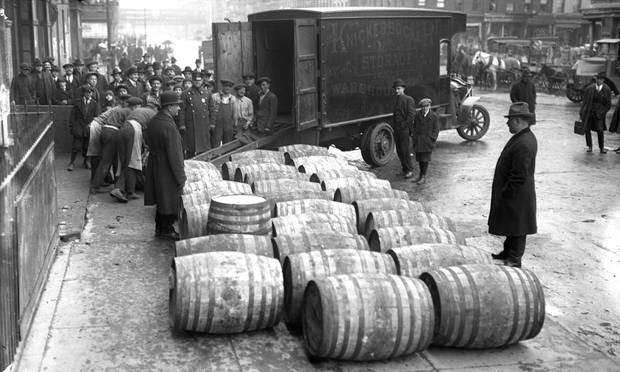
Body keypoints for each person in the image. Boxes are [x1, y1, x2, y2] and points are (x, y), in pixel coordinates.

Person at [489, 102, 538, 268]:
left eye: (509, 120)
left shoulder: (524, 142)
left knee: (518, 227)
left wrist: (507, 192)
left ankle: (514, 259)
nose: (507, 123)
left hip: (517, 194)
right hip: (516, 193)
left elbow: (519, 175)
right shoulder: (522, 137)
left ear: (518, 121)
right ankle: (507, 252)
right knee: (512, 225)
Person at [144, 91, 186, 240]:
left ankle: (160, 228)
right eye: (177, 106)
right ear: (169, 107)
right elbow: (175, 155)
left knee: (161, 198)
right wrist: (181, 177)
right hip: (167, 168)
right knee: (170, 199)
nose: (179, 109)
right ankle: (167, 229)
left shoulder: (154, 121)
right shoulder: (169, 126)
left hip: (156, 164)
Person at [90, 94, 132, 193]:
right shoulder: (126, 111)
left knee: (114, 160)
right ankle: (95, 186)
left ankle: (116, 186)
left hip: (105, 131)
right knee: (106, 161)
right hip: (113, 133)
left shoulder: (117, 109)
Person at [68, 85, 100, 171]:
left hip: (89, 127)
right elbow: (72, 116)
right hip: (78, 127)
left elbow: (96, 116)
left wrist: (92, 125)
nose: (89, 94)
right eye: (87, 92)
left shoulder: (94, 104)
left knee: (87, 146)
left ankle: (87, 161)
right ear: (84, 93)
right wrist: (73, 126)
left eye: (91, 92)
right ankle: (72, 162)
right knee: (76, 146)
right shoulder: (77, 103)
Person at [580, 71, 611, 153]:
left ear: (603, 80)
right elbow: (585, 101)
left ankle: (601, 148)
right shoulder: (590, 88)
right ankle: (590, 147)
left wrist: (602, 112)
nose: (598, 81)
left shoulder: (607, 90)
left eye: (600, 80)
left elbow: (608, 104)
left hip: (599, 114)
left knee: (600, 130)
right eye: (597, 79)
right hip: (589, 112)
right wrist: (581, 112)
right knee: (587, 129)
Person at [411, 98, 439, 184]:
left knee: (425, 159)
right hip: (419, 140)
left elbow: (436, 129)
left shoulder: (433, 116)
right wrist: (414, 137)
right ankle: (420, 175)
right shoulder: (417, 115)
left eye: (427, 106)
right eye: (423, 106)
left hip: (427, 141)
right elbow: (414, 127)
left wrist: (432, 139)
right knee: (419, 159)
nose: (425, 108)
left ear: (429, 106)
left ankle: (423, 176)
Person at [391, 78, 416, 178]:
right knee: (399, 150)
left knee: (405, 150)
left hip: (404, 130)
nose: (397, 91)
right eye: (396, 89)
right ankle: (404, 169)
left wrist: (404, 126)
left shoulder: (408, 99)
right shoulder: (397, 99)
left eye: (398, 89)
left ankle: (410, 170)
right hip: (397, 129)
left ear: (403, 89)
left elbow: (411, 115)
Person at [212, 79, 237, 146]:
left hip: (228, 124)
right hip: (217, 124)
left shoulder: (233, 98)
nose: (227, 88)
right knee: (216, 142)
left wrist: (235, 124)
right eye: (226, 86)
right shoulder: (215, 96)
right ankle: (215, 156)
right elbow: (212, 111)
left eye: (229, 86)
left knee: (228, 143)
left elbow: (234, 113)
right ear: (222, 86)